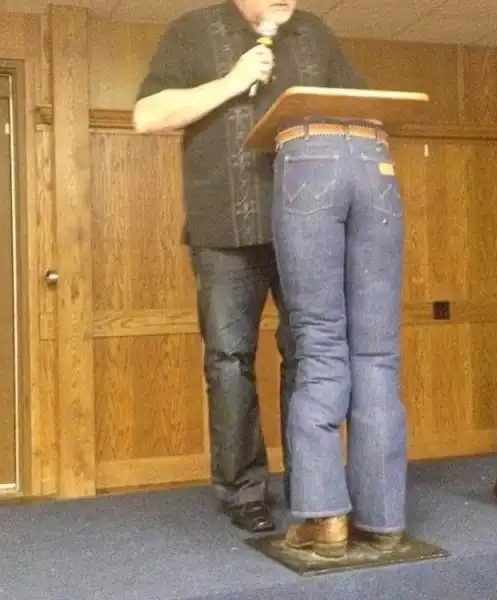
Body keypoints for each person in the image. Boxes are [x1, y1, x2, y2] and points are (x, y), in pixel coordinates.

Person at [133, 0, 364, 533]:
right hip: (224, 234)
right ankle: (244, 492)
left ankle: (313, 486)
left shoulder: (314, 32)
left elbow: (358, 108)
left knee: (311, 355)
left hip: (309, 227)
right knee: (229, 361)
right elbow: (146, 115)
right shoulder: (192, 31)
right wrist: (233, 81)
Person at [272, 119, 407, 556]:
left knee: (319, 345)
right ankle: (383, 519)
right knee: (378, 355)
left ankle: (326, 518)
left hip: (308, 156)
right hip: (376, 161)